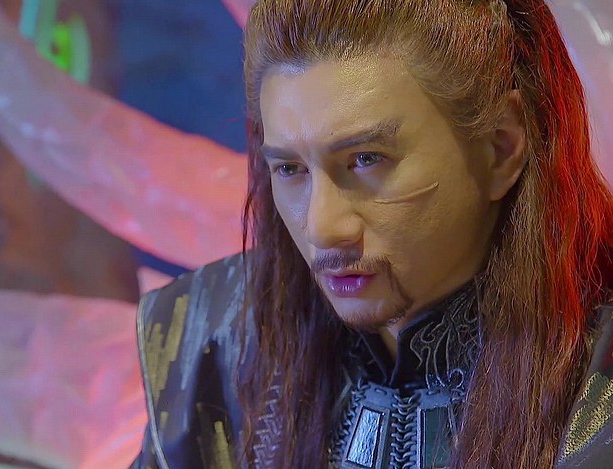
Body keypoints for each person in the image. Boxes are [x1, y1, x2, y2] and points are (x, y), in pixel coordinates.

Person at [129, 0, 613, 468]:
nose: (323, 229)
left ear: (499, 149)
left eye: (366, 160)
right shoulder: (205, 345)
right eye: (290, 169)